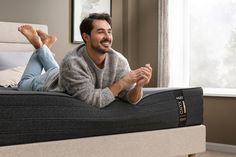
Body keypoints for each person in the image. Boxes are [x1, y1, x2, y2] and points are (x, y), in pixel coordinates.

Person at [18, 13, 152, 108]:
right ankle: (40, 45)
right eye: (100, 32)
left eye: (109, 32)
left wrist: (139, 86)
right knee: (22, 84)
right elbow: (93, 100)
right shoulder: (71, 63)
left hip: (64, 74)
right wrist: (124, 81)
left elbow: (129, 97)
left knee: (56, 69)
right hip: (48, 82)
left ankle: (46, 44)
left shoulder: (119, 61)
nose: (107, 37)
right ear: (86, 37)